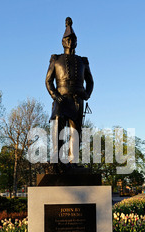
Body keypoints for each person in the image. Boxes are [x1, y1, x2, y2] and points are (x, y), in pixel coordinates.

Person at [45, 17, 94, 171]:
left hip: (77, 100)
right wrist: (54, 95)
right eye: (67, 39)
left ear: (76, 42)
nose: (70, 41)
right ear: (63, 42)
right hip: (61, 99)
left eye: (73, 39)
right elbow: (48, 81)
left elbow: (90, 81)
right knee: (57, 123)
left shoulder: (83, 61)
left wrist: (87, 94)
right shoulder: (56, 59)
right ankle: (56, 160)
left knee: (75, 131)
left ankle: (73, 162)